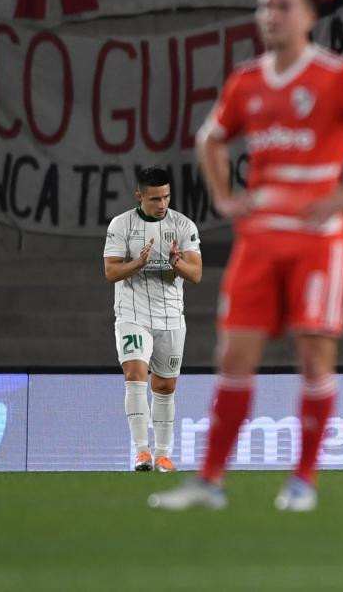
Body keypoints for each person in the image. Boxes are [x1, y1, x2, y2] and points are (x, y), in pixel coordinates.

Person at [148, 0, 343, 512]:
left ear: (310, 17)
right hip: (259, 240)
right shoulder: (246, 80)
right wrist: (224, 197)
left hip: (318, 241)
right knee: (233, 355)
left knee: (314, 357)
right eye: (265, 6)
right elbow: (209, 140)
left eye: (284, 6)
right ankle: (210, 482)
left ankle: (304, 480)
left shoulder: (337, 77)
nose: (271, 15)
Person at [103, 167, 203, 474]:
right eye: (155, 198)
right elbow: (111, 272)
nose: (162, 203)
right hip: (132, 313)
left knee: (165, 385)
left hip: (171, 316)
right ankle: (142, 452)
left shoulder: (182, 225)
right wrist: (138, 263)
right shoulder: (122, 224)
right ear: (140, 197)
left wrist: (177, 263)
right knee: (135, 374)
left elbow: (196, 274)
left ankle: (162, 454)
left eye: (167, 196)